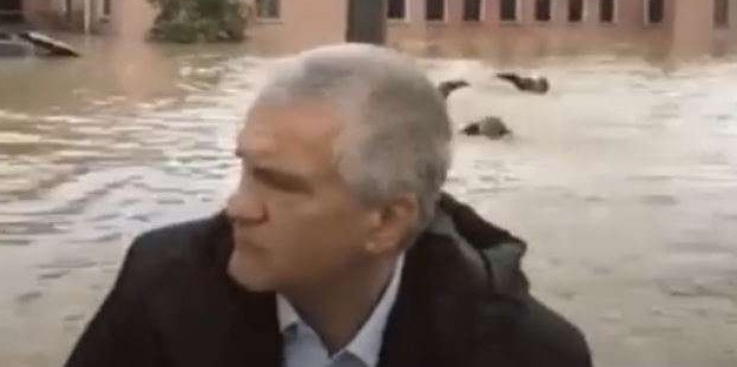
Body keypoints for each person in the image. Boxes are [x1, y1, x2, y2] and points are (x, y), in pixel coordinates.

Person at [64, 43, 592, 367]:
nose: (238, 207)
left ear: (386, 221)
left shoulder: (526, 353)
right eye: (245, 169)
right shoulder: (162, 283)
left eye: (280, 185)